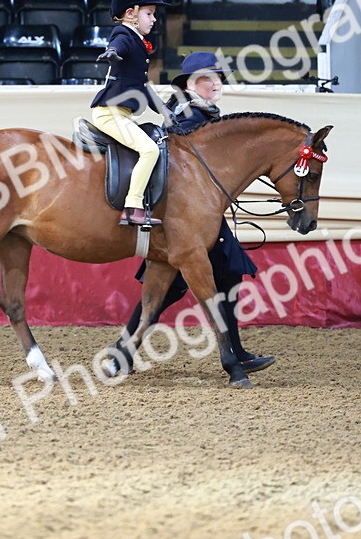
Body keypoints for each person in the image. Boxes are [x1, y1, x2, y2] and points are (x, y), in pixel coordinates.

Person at [115, 51, 275, 374]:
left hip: (195, 216)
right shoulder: (189, 119)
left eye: (217, 79)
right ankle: (233, 355)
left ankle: (125, 351)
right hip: (185, 219)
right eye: (206, 79)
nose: (214, 84)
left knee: (214, 277)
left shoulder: (203, 116)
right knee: (175, 286)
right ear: (189, 85)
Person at [90, 0, 168, 227]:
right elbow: (118, 44)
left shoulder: (138, 43)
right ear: (130, 13)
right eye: (149, 13)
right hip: (109, 113)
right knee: (149, 150)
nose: (154, 19)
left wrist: (165, 113)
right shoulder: (124, 35)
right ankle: (132, 206)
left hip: (122, 113)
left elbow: (143, 88)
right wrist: (113, 53)